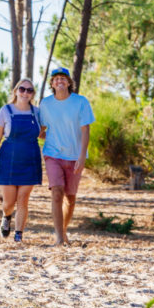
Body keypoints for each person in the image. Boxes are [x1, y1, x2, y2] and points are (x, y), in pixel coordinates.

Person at [38, 66, 94, 246]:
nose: (59, 81)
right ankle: (59, 238)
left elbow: (86, 130)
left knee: (70, 198)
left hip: (75, 156)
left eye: (63, 78)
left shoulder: (81, 102)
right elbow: (41, 130)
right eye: (56, 79)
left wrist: (82, 156)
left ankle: (63, 230)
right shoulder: (46, 104)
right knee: (57, 192)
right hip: (52, 154)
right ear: (52, 84)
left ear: (69, 83)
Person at [0, 78, 43, 245]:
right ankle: (6, 216)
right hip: (9, 159)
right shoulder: (5, 111)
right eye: (22, 89)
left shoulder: (37, 112)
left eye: (29, 90)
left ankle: (19, 234)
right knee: (9, 202)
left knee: (23, 199)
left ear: (33, 94)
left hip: (30, 158)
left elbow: (43, 133)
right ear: (16, 91)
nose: (25, 93)